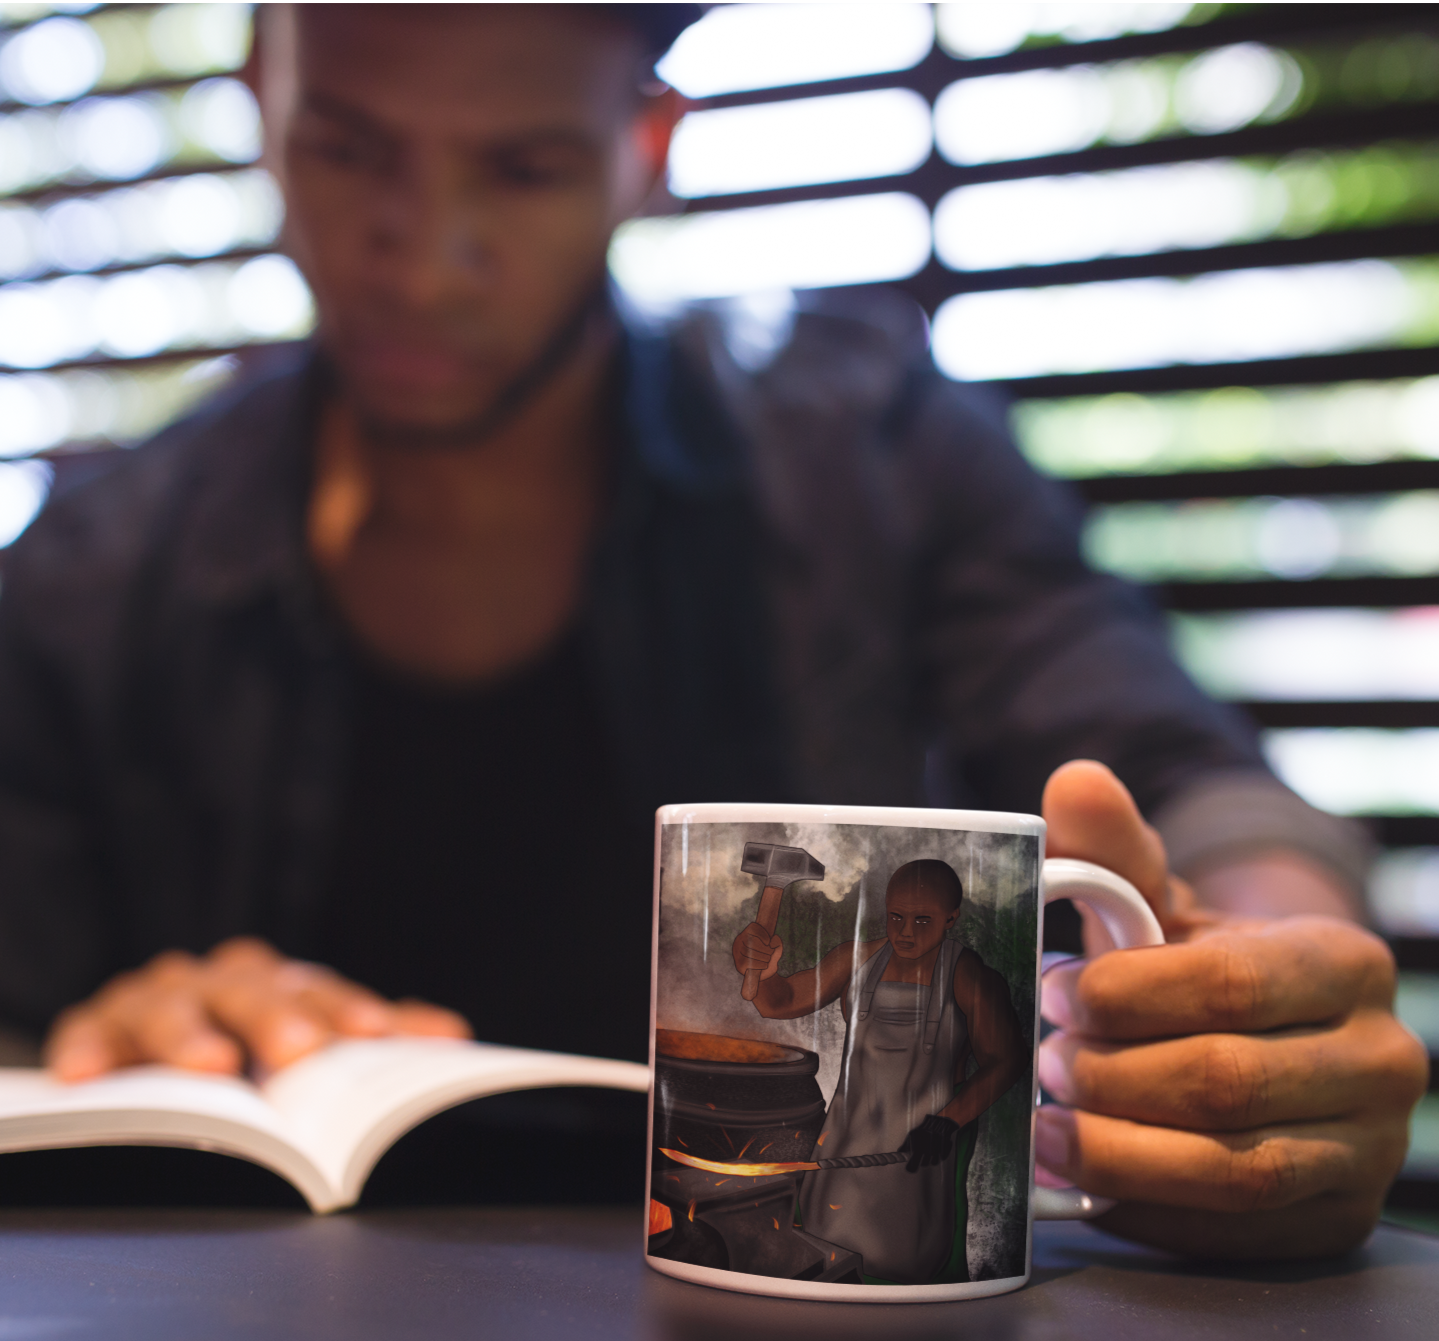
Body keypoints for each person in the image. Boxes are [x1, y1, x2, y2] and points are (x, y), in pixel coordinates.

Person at [0, 3, 1423, 1256]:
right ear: (261, 100)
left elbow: (1181, 777)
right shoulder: (89, 572)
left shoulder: (866, 449)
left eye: (522, 167)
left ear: (646, 150)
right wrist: (125, 1045)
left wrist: (1256, 993)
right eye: (350, 149)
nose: (425, 257)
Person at [735, 858, 1027, 1283]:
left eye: (922, 920)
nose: (905, 931)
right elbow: (777, 1002)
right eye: (896, 917)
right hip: (846, 1141)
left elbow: (1008, 1060)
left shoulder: (969, 977)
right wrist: (763, 967)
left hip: (921, 1146)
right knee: (825, 1243)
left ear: (951, 918)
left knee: (908, 1258)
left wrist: (949, 1121)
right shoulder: (856, 960)